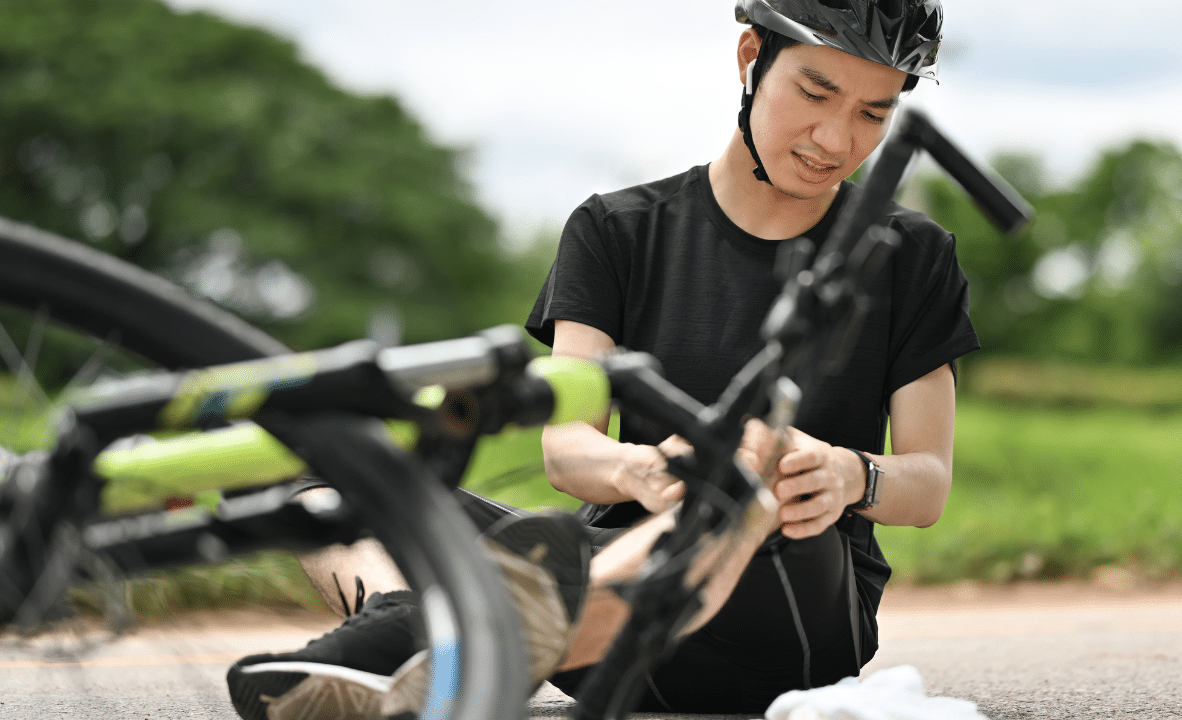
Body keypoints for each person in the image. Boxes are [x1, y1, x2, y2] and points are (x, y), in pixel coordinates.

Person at [226, 0, 976, 716]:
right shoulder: (614, 231)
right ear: (752, 57)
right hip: (610, 588)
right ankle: (415, 625)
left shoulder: (912, 256)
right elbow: (568, 448)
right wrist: (640, 470)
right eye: (817, 92)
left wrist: (851, 474)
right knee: (331, 466)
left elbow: (928, 484)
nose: (838, 140)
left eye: (874, 113)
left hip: (789, 613)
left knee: (755, 456)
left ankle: (434, 647)